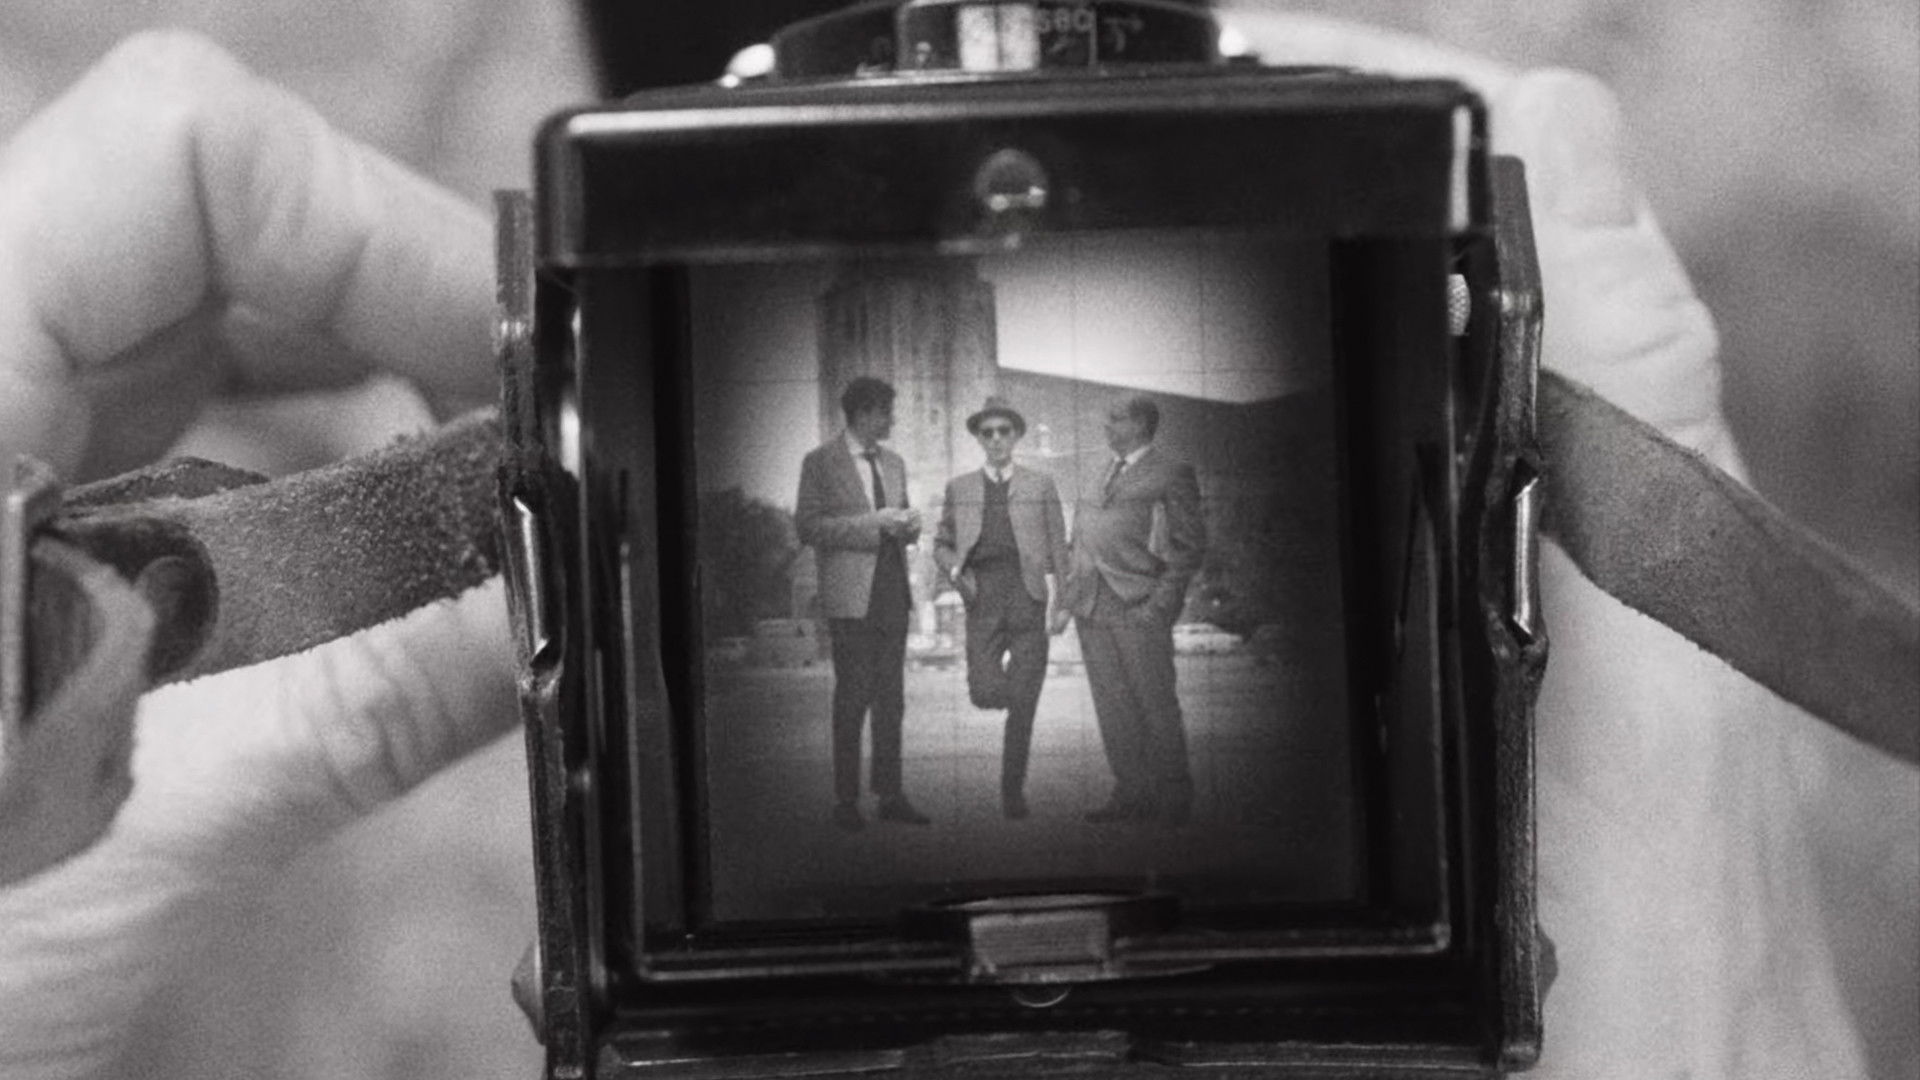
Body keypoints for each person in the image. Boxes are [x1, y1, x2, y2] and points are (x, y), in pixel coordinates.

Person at [0, 17, 1897, 1080]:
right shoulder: (868, 460)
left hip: (1040, 603)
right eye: (966, 423)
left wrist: (1090, 571)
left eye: (990, 422)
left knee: (1086, 737)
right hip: (908, 597)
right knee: (881, 739)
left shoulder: (1049, 469)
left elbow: (1095, 519)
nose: (983, 430)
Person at [1054, 395, 1207, 825]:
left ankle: (1173, 798)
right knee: (1113, 706)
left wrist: (1160, 607)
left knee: (1155, 704)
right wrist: (1069, 600)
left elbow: (1189, 547)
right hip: (1092, 606)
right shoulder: (1098, 470)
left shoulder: (1172, 472)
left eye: (1115, 418)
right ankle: (1131, 793)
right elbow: (1078, 538)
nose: (1106, 425)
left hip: (1139, 606)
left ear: (1140, 424)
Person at [793, 376, 931, 830]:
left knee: (892, 699)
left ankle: (890, 795)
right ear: (862, 413)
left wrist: (909, 525)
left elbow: (899, 522)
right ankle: (846, 800)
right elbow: (809, 527)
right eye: (886, 412)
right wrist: (872, 523)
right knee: (852, 696)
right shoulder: (820, 462)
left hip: (892, 592)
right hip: (850, 599)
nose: (892, 420)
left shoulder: (894, 463)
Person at [933, 396, 1070, 819]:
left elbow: (1059, 549)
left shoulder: (1041, 485)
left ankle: (1013, 791)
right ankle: (1017, 693)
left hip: (1028, 597)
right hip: (983, 596)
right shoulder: (959, 488)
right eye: (987, 432)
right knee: (984, 691)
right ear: (979, 437)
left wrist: (1063, 605)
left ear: (1016, 436)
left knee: (1023, 705)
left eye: (1003, 431)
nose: (995, 439)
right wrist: (956, 573)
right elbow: (942, 544)